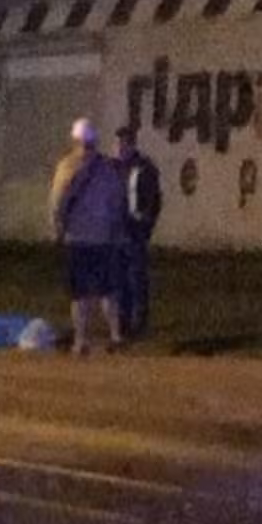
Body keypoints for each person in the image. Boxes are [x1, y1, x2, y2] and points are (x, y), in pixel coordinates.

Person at [49, 119, 128, 356]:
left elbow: (58, 201)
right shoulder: (107, 168)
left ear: (75, 140)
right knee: (108, 290)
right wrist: (116, 229)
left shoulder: (67, 166)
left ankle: (81, 340)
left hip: (77, 237)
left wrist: (56, 228)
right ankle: (116, 336)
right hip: (103, 237)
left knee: (80, 293)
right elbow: (118, 202)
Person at [113, 125, 163, 339]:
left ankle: (139, 321)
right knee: (119, 278)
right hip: (117, 230)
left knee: (136, 277)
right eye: (118, 143)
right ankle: (121, 321)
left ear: (132, 144)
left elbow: (154, 199)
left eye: (124, 143)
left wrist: (147, 224)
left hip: (135, 230)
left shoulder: (143, 167)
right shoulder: (113, 168)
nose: (120, 148)